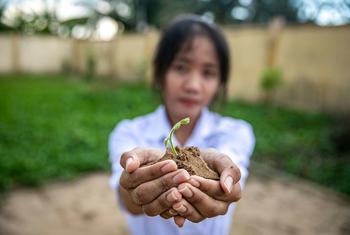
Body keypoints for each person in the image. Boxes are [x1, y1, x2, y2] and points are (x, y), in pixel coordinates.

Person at [109, 15, 255, 235]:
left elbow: (233, 174)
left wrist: (225, 181)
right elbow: (127, 196)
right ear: (160, 73)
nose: (193, 85)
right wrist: (133, 190)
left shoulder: (235, 132)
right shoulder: (129, 133)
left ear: (220, 83)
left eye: (208, 73)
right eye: (181, 67)